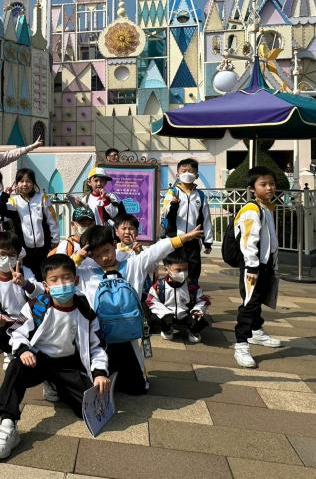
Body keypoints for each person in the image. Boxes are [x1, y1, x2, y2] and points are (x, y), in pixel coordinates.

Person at [0, 254, 109, 460]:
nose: (61, 284)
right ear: (45, 285)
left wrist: (99, 373)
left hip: (67, 364)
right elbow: (16, 331)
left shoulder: (85, 310)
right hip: (39, 360)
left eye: (66, 278)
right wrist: (23, 350)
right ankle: (8, 424)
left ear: (76, 280)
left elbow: (96, 346)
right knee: (16, 366)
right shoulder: (37, 305)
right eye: (54, 280)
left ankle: (55, 384)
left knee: (86, 409)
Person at [72, 223, 203, 395]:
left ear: (114, 244)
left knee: (138, 389)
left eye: (106, 251)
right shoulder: (85, 273)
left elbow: (157, 250)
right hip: (100, 339)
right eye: (96, 255)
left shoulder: (133, 265)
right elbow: (62, 271)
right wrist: (78, 257)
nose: (104, 258)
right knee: (99, 385)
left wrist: (183, 238)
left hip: (129, 335)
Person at [233, 166, 283, 369]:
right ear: (252, 188)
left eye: (272, 183)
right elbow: (248, 241)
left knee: (258, 299)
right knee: (249, 303)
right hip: (252, 266)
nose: (269, 187)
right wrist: (252, 267)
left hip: (264, 264)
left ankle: (256, 331)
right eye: (263, 184)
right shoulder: (251, 210)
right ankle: (241, 344)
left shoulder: (266, 208)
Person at [0, 231, 43, 371]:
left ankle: (26, 349)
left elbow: (41, 293)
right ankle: (9, 352)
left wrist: (25, 284)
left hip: (27, 319)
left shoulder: (25, 272)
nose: (7, 259)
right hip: (7, 321)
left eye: (12, 255)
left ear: (18, 255)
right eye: (2, 254)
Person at [160, 158, 213, 283]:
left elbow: (206, 219)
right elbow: (165, 212)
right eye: (183, 171)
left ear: (196, 175)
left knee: (194, 268)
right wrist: (174, 204)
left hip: (193, 239)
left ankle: (193, 289)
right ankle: (174, 290)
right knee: (175, 269)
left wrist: (208, 241)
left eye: (190, 171)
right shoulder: (172, 192)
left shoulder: (200, 195)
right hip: (175, 238)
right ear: (177, 174)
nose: (187, 174)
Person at [3, 168, 59, 281]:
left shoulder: (42, 197)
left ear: (33, 183)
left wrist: (55, 238)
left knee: (46, 274)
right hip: (24, 248)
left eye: (28, 181)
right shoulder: (14, 200)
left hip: (44, 246)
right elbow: (2, 211)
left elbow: (52, 219)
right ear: (17, 184)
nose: (25, 184)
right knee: (29, 276)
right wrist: (5, 195)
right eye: (21, 181)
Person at [146, 251, 211, 344]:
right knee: (155, 317)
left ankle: (193, 331)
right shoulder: (159, 286)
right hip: (168, 315)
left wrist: (197, 310)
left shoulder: (191, 286)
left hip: (187, 315)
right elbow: (151, 301)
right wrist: (164, 312)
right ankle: (167, 329)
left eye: (185, 269)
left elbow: (202, 300)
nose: (183, 273)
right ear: (166, 269)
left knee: (199, 319)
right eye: (178, 270)